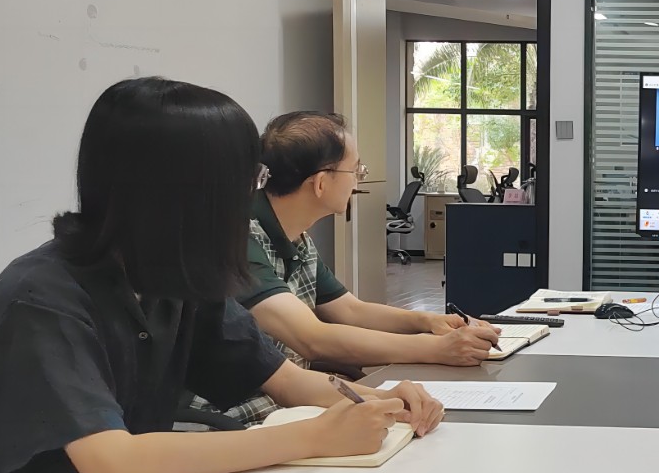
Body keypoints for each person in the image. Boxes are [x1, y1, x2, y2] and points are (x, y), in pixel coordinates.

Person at [0, 78, 442, 473]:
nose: (252, 199)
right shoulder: (40, 301)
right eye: (250, 181)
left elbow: (285, 381)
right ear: (185, 194)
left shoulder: (174, 278)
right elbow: (110, 463)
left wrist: (382, 400)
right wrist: (313, 437)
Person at [203, 111, 501, 425]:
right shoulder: (240, 239)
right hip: (237, 418)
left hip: (290, 405)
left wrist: (428, 321)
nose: (359, 179)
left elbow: (350, 310)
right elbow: (312, 338)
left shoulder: (296, 237)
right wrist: (436, 348)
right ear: (321, 183)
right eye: (356, 169)